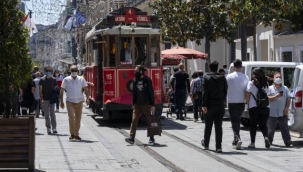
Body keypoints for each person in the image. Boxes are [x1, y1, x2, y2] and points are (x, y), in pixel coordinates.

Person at [125, 65, 155, 144]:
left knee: (149, 120)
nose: (135, 72)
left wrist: (152, 105)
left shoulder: (147, 80)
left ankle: (151, 137)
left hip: (146, 104)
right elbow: (134, 92)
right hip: (137, 104)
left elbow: (151, 92)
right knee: (134, 120)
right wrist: (133, 103)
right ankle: (131, 137)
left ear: (141, 71)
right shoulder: (135, 80)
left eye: (136, 70)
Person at [201, 61, 227, 153]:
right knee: (218, 126)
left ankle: (206, 144)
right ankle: (218, 146)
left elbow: (204, 92)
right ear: (217, 68)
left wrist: (204, 104)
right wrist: (222, 101)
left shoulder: (206, 78)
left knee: (208, 126)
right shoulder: (223, 78)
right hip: (220, 104)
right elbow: (225, 91)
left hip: (209, 104)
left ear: (209, 68)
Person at [60, 65, 89, 141]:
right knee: (71, 117)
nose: (74, 72)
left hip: (79, 101)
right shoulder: (66, 79)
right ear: (70, 71)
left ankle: (76, 134)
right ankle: (72, 133)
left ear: (78, 71)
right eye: (72, 71)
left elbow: (85, 88)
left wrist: (88, 98)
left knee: (78, 118)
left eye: (75, 70)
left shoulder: (81, 79)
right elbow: (62, 90)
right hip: (70, 101)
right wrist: (61, 101)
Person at [226, 59, 249, 150]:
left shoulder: (228, 76)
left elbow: (226, 88)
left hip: (231, 101)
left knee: (234, 121)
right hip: (241, 101)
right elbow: (247, 89)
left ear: (233, 66)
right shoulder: (245, 77)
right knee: (238, 120)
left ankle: (237, 138)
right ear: (241, 67)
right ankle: (236, 139)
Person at [245, 68, 270, 149]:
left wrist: (248, 106)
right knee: (263, 125)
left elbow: (248, 96)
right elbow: (268, 94)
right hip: (265, 107)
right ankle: (266, 137)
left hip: (254, 107)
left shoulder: (251, 84)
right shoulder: (266, 84)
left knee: (253, 125)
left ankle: (252, 143)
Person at [267, 72, 293, 147]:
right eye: (277, 77)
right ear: (273, 79)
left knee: (284, 126)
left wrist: (287, 108)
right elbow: (267, 98)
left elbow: (288, 98)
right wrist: (275, 97)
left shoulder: (285, 88)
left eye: (280, 77)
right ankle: (269, 140)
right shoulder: (270, 88)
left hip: (282, 111)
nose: (278, 78)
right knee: (270, 128)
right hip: (272, 112)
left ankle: (287, 140)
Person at [39, 66, 58, 135]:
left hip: (52, 99)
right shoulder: (42, 80)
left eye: (49, 71)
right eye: (47, 70)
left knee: (52, 114)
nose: (48, 72)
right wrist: (41, 99)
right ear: (45, 71)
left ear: (51, 71)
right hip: (45, 99)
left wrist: (55, 88)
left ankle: (54, 128)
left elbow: (55, 87)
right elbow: (40, 90)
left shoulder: (54, 79)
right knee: (46, 114)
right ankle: (48, 128)